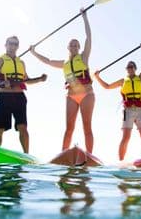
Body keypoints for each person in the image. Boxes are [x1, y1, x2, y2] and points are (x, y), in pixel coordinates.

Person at [28, 9, 95, 153]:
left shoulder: (83, 57)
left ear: (79, 48)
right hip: (71, 95)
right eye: (72, 45)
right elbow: (47, 61)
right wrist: (33, 52)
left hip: (87, 94)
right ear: (68, 47)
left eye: (77, 45)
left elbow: (89, 37)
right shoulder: (64, 63)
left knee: (86, 126)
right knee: (69, 128)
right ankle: (63, 154)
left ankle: (89, 155)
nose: (75, 47)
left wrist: (85, 17)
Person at [93, 43, 141, 161]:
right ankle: (121, 161)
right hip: (127, 111)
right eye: (128, 67)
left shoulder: (140, 78)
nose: (130, 69)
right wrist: (97, 77)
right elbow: (107, 86)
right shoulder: (122, 81)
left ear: (135, 68)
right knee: (126, 137)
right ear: (126, 69)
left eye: (132, 67)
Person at [0, 36, 47, 153]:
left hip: (19, 97)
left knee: (23, 127)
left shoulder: (21, 63)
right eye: (11, 43)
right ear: (6, 45)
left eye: (16, 44)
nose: (13, 46)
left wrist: (40, 79)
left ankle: (26, 155)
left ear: (18, 46)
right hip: (4, 97)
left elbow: (27, 80)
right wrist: (1, 82)